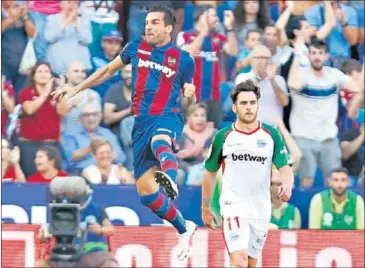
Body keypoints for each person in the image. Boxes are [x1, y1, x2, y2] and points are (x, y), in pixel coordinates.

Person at [52, 5, 198, 260]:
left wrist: (191, 95)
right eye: (147, 22)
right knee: (148, 196)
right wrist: (76, 90)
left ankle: (171, 178)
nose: (148, 26)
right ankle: (184, 228)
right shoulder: (136, 47)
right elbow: (107, 71)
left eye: (154, 22)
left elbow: (189, 98)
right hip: (140, 123)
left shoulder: (183, 59)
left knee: (160, 140)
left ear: (168, 28)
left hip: (167, 116)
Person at [201, 80, 294, 267]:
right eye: (244, 103)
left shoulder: (271, 135)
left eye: (252, 103)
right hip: (233, 206)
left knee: (251, 262)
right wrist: (205, 207)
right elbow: (210, 174)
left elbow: (285, 168)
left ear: (258, 105)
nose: (249, 107)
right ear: (234, 108)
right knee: (239, 259)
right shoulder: (223, 136)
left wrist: (287, 185)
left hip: (260, 209)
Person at [288, 38, 363, 187]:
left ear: (326, 56)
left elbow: (357, 88)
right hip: (303, 136)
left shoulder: (334, 75)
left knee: (334, 181)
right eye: (313, 53)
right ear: (308, 55)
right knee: (306, 180)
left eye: (320, 53)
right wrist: (297, 57)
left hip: (328, 137)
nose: (317, 56)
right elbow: (292, 84)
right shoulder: (302, 74)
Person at [34, 176, 119, 267]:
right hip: (65, 251)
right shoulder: (59, 209)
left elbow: (111, 230)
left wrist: (101, 230)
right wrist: (43, 236)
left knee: (110, 265)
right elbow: (45, 234)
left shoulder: (97, 209)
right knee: (40, 265)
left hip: (94, 252)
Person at [177, 4, 238, 128]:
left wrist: (230, 28)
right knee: (188, 135)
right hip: (191, 96)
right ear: (202, 17)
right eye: (213, 15)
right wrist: (203, 31)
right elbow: (188, 53)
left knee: (213, 136)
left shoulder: (218, 37)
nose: (217, 19)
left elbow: (233, 51)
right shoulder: (184, 35)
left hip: (214, 97)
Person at [17, 62, 69, 178]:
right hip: (30, 145)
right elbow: (29, 109)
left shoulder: (55, 93)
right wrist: (46, 92)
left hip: (52, 144)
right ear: (33, 76)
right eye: (40, 71)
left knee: (56, 178)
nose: (44, 74)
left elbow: (63, 112)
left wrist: (62, 92)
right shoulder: (26, 92)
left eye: (47, 71)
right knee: (31, 179)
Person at [235, 45, 289, 126]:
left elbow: (284, 102)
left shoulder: (279, 79)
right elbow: (243, 97)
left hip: (273, 129)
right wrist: (259, 78)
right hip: (249, 129)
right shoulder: (242, 77)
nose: (264, 61)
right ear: (252, 60)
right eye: (259, 58)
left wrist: (272, 80)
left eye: (267, 58)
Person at [61, 61, 101, 134]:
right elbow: (57, 116)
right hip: (67, 137)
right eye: (76, 71)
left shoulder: (93, 94)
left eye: (83, 71)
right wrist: (71, 105)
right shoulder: (59, 94)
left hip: (88, 137)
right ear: (67, 74)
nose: (80, 74)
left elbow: (98, 118)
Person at [90, 30, 123, 99]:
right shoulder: (94, 61)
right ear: (103, 44)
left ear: (120, 47)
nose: (113, 46)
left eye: (117, 43)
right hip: (97, 100)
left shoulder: (122, 63)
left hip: (115, 101)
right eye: (110, 42)